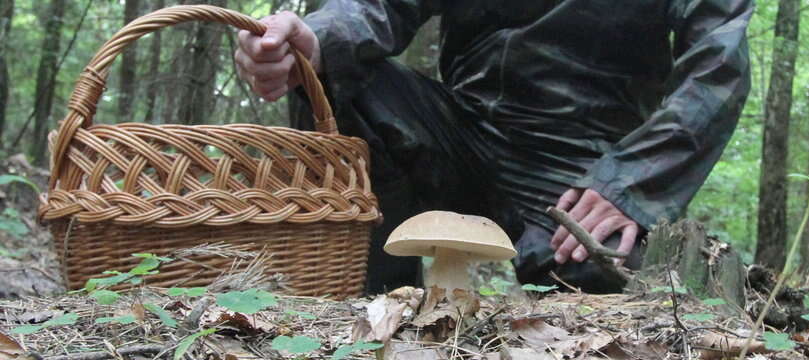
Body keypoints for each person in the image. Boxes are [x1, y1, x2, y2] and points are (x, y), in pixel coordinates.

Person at [235, 0, 753, 294]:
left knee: (596, 280)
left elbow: (716, 69)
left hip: (586, 170)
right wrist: (313, 39)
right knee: (330, 75)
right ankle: (375, 304)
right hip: (459, 134)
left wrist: (631, 184)